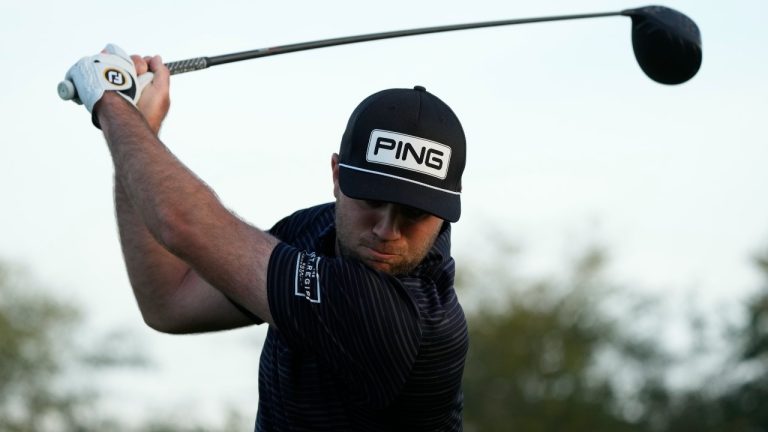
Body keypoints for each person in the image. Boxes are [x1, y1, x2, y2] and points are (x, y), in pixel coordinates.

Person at [64, 44, 469, 431]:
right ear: (336, 176)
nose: (386, 230)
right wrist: (140, 130)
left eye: (413, 214)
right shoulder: (314, 230)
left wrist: (112, 104)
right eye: (370, 200)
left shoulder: (408, 321)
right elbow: (168, 302)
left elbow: (181, 224)